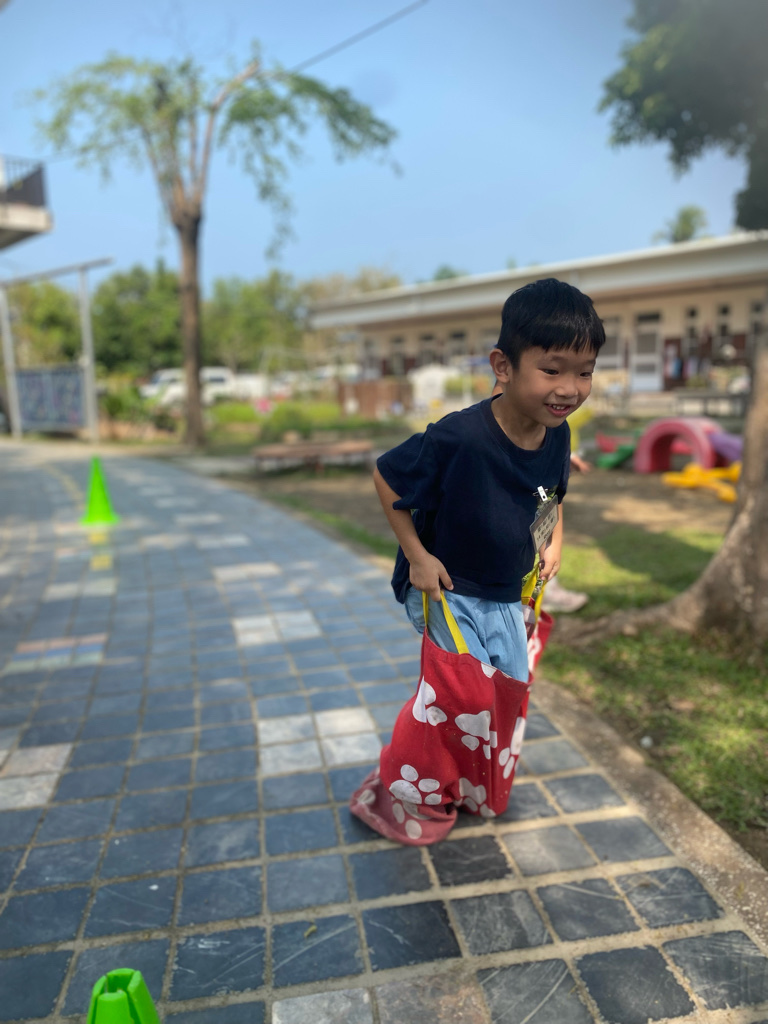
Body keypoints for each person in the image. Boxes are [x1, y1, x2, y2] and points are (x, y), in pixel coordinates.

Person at [350, 277, 606, 842]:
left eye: (584, 372)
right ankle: (404, 788)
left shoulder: (557, 434)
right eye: (552, 369)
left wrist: (554, 541)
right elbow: (387, 477)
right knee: (453, 698)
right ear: (503, 366)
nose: (569, 388)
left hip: (507, 591)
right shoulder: (459, 437)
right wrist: (417, 557)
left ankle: (465, 785)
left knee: (502, 693)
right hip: (448, 588)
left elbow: (549, 495)